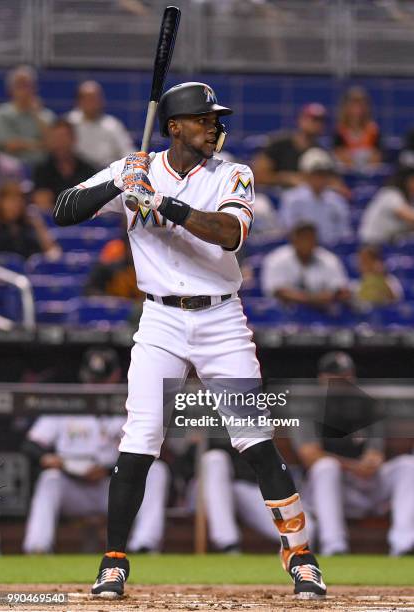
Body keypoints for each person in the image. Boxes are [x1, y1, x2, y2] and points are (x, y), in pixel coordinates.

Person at [53, 81, 326, 599]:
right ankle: (113, 561)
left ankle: (300, 554)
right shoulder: (134, 168)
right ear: (174, 126)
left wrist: (165, 205)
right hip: (159, 321)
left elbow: (231, 234)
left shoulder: (233, 173)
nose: (214, 127)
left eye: (214, 120)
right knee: (140, 438)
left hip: (221, 319)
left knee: (256, 439)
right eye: (204, 120)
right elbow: (63, 209)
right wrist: (119, 185)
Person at [22, 348, 170, 554]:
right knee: (50, 479)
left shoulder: (132, 404)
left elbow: (154, 450)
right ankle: (37, 546)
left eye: (103, 379)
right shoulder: (68, 403)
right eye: (93, 378)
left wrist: (108, 470)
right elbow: (30, 445)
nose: (97, 384)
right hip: (73, 484)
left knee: (156, 471)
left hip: (113, 484)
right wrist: (49, 458)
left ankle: (144, 545)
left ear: (117, 375)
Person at [291, 351, 414, 556]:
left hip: (364, 485)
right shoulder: (308, 407)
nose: (343, 381)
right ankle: (334, 545)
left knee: (407, 466)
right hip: (327, 489)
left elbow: (376, 452)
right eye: (336, 376)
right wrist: (353, 466)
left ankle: (403, 543)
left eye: (347, 376)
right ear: (322, 378)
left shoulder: (366, 406)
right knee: (326, 467)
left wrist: (372, 460)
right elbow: (310, 456)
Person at [261, 222, 350, 308]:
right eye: (303, 237)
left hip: (324, 315)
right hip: (285, 316)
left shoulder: (329, 259)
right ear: (294, 240)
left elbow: (341, 290)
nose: (307, 241)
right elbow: (278, 291)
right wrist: (312, 300)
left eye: (310, 237)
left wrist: (331, 295)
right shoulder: (276, 259)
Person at [279, 148, 351, 246]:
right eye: (315, 174)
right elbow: (288, 230)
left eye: (323, 174)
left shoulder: (337, 201)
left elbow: (344, 234)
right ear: (305, 174)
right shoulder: (291, 199)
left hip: (331, 251)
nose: (319, 179)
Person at [252, 103, 327, 188]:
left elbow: (332, 181)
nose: (317, 124)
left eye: (321, 121)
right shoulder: (279, 144)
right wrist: (285, 178)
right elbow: (257, 176)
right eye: (313, 119)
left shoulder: (321, 152)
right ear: (301, 119)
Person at [66, 81, 134, 169]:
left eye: (95, 98)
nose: (92, 103)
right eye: (87, 98)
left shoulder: (112, 125)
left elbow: (127, 152)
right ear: (78, 101)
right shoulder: (69, 122)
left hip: (106, 173)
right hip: (76, 174)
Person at [32, 118, 96, 212]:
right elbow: (42, 204)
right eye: (55, 138)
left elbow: (94, 202)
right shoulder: (42, 170)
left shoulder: (88, 169)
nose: (60, 142)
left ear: (74, 139)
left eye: (63, 137)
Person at [0, 65, 55, 167]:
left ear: (35, 88)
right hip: (10, 171)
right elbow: (10, 145)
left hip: (43, 168)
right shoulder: (2, 113)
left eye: (27, 85)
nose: (24, 90)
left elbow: (52, 145)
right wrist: (41, 145)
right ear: (10, 89)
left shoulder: (46, 115)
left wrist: (36, 114)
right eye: (19, 85)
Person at [0, 181, 59, 259]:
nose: (16, 205)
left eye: (19, 200)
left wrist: (39, 227)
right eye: (11, 200)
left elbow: (53, 253)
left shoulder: (29, 226)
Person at [359, 165, 414, 244]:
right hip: (371, 244)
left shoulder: (410, 198)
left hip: (390, 242)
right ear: (405, 181)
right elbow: (409, 217)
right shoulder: (390, 193)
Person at [333, 86, 382, 171]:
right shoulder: (339, 131)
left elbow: (377, 157)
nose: (358, 108)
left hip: (369, 173)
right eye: (354, 103)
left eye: (361, 103)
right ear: (346, 106)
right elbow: (339, 155)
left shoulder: (374, 130)